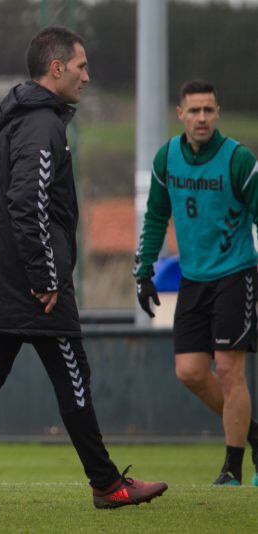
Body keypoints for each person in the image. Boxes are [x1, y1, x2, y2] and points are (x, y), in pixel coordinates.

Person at [0, 26, 168, 511]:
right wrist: (46, 276)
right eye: (80, 66)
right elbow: (26, 201)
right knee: (71, 373)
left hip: (1, 280)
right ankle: (106, 484)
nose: (87, 76)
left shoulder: (15, 119)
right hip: (32, 286)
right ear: (56, 69)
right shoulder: (43, 124)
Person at [135, 80, 258, 486]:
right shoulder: (167, 158)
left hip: (236, 274)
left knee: (228, 369)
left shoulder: (238, 160)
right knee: (189, 372)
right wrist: (144, 269)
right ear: (180, 114)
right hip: (193, 279)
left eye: (209, 110)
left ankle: (233, 469)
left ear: (217, 113)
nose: (202, 118)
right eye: (194, 111)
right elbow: (155, 217)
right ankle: (254, 433)